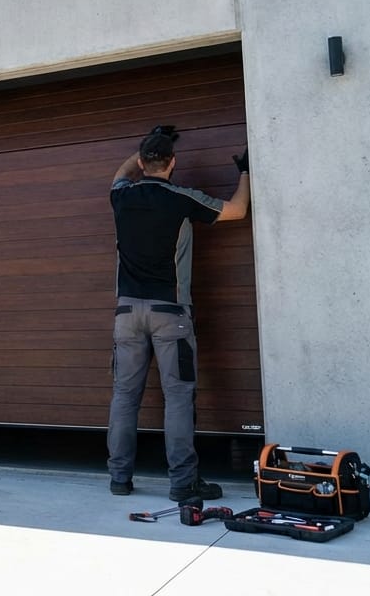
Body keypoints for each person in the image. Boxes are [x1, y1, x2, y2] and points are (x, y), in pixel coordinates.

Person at [107, 125, 250, 500]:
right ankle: (183, 483)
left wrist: (147, 141)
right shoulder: (180, 198)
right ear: (173, 163)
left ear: (142, 162)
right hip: (170, 313)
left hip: (127, 314)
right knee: (178, 398)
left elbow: (121, 175)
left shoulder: (121, 196)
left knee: (124, 396)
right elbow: (237, 210)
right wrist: (246, 172)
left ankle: (119, 479)